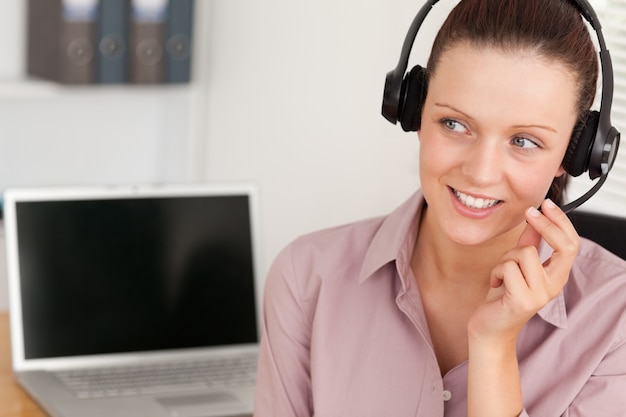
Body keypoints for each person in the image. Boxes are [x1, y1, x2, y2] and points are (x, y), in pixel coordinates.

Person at [253, 0, 626, 415]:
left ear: (573, 156)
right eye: (455, 124)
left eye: (524, 141)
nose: (481, 174)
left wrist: (493, 348)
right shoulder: (307, 279)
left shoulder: (616, 323)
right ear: (413, 109)